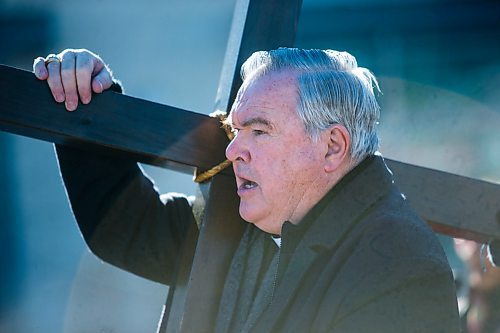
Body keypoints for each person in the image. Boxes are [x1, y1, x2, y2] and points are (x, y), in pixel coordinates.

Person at [33, 48, 460, 332]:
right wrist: (87, 103)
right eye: (236, 130)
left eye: (260, 130)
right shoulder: (245, 221)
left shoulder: (399, 265)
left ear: (332, 147)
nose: (234, 149)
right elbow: (127, 231)